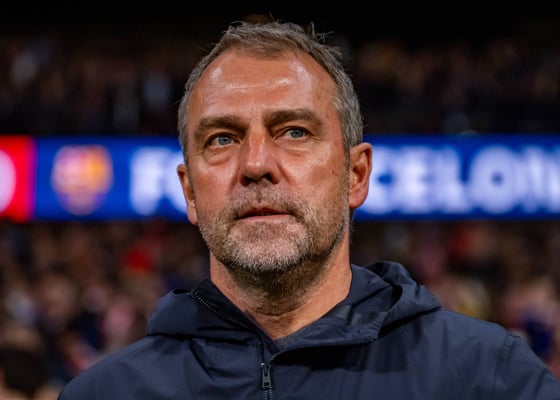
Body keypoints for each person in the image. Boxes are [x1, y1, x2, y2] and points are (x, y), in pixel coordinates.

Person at [58, 19, 560, 399]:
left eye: (294, 132)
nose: (256, 164)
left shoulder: (489, 379)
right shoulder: (103, 393)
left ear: (355, 175)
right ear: (190, 192)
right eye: (222, 138)